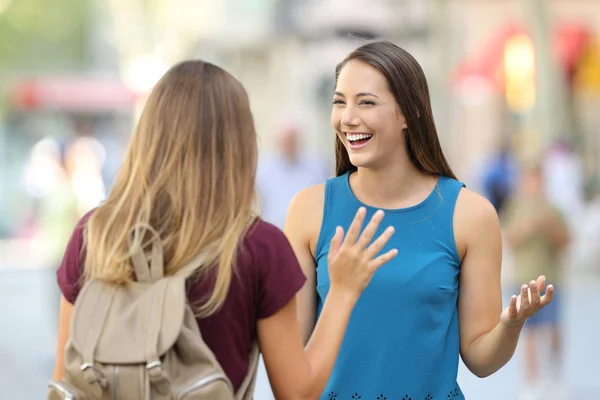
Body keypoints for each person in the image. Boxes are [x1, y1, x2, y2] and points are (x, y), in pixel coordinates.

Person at [51, 60, 398, 399]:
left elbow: (66, 381)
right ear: (239, 143)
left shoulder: (94, 234)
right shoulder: (257, 247)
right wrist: (343, 291)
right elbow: (297, 392)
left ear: (148, 137)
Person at [285, 41, 554, 400]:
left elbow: (480, 359)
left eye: (366, 102)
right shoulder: (308, 210)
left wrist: (511, 324)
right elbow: (291, 367)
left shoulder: (470, 215)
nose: (347, 117)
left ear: (407, 113)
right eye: (339, 101)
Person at [504, 164, 569, 399]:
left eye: (538, 180)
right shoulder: (516, 207)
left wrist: (549, 226)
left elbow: (565, 242)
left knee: (553, 329)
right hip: (524, 279)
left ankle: (555, 375)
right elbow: (509, 240)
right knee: (528, 332)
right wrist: (529, 227)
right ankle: (531, 382)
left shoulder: (553, 209)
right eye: (530, 179)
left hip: (551, 278)